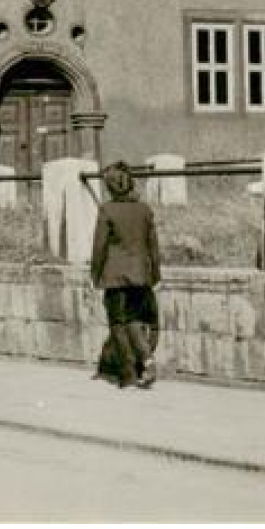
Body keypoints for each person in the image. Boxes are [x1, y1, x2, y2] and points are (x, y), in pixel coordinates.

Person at [90, 161, 161, 389]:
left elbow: (99, 248)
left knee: (118, 324)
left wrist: (95, 276)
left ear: (109, 187)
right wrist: (156, 276)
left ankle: (128, 374)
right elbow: (153, 247)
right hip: (141, 275)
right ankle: (146, 360)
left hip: (115, 276)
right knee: (135, 322)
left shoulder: (106, 210)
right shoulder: (145, 210)